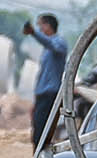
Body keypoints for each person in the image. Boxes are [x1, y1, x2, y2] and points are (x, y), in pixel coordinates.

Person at [22, 13, 70, 147]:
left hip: (50, 94)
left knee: (42, 135)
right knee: (38, 132)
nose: (40, 28)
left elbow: (51, 44)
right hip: (42, 95)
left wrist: (34, 33)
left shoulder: (59, 42)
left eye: (41, 25)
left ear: (48, 25)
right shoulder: (47, 49)